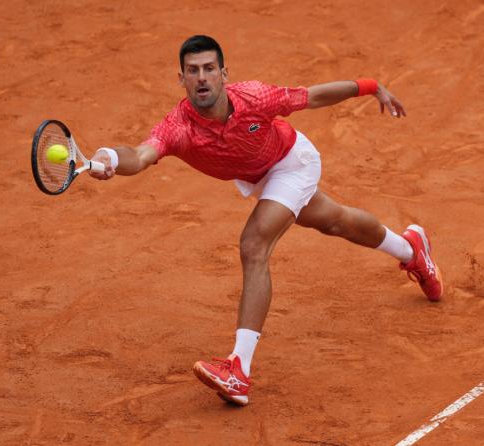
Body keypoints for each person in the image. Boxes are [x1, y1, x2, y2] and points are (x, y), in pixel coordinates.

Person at [89, 35, 443, 406]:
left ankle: (238, 369)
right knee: (335, 221)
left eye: (209, 68)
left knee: (254, 245)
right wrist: (110, 158)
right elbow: (141, 155)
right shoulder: (178, 127)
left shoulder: (254, 98)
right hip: (260, 178)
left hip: (292, 162)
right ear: (182, 80)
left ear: (224, 74)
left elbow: (313, 96)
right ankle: (410, 248)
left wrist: (372, 87)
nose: (202, 77)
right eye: (193, 71)